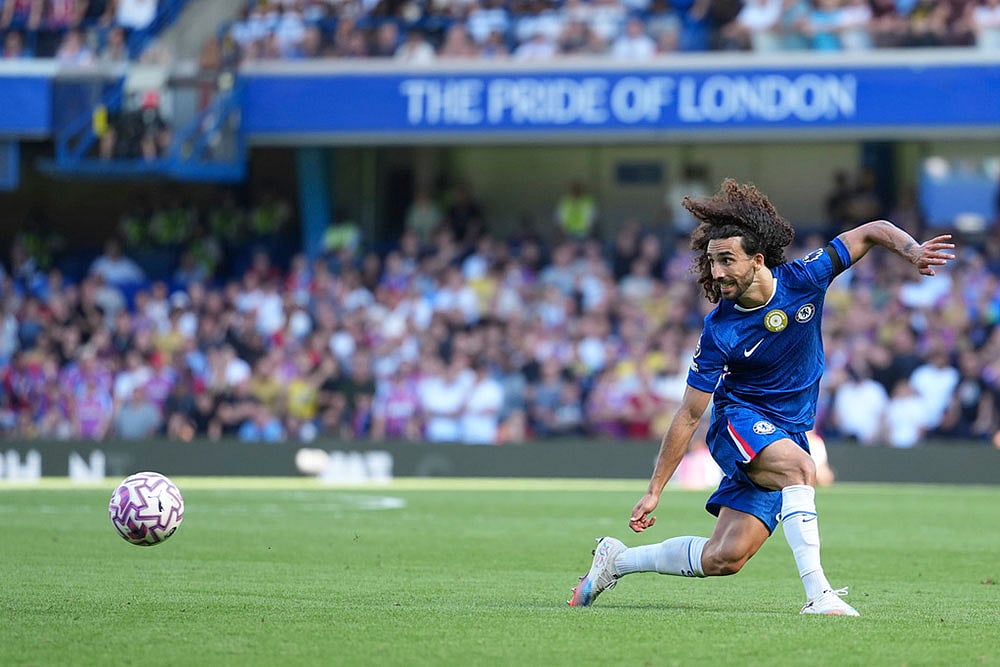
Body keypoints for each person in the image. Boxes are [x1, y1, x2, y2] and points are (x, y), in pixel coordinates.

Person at [568, 178, 954, 616]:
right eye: (712, 262)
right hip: (741, 421)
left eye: (726, 260)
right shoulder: (720, 330)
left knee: (724, 557)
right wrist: (655, 490)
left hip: (789, 429)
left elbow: (871, 230)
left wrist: (912, 251)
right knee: (801, 469)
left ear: (756, 260)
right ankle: (819, 596)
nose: (717, 273)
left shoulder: (805, 279)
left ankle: (616, 561)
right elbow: (690, 414)